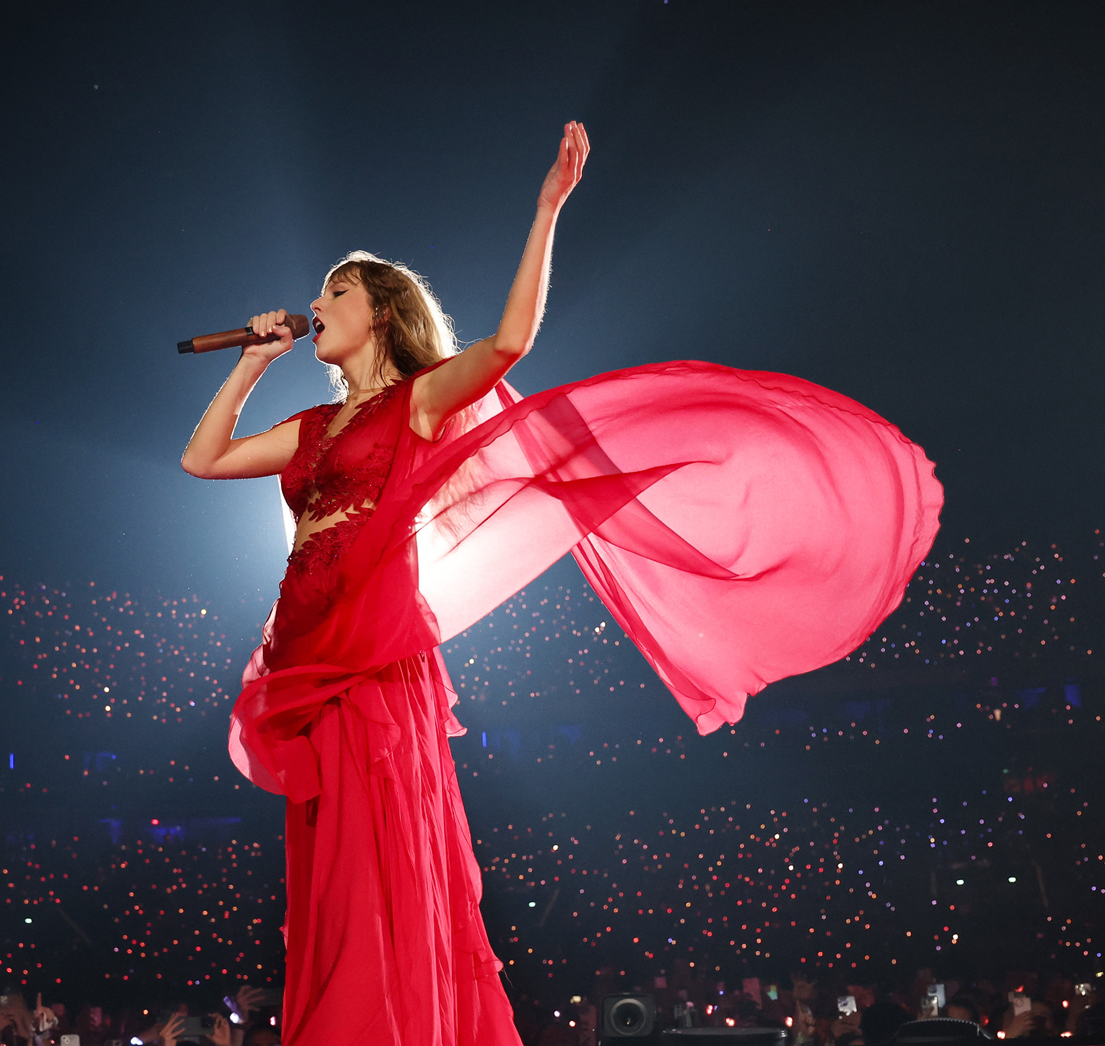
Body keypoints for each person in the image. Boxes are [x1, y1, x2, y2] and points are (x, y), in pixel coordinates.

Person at [181, 122, 942, 1046]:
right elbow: (203, 458)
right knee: (327, 870)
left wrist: (546, 209)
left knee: (371, 863)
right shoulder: (308, 429)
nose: (313, 303)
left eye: (333, 291)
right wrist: (253, 360)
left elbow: (507, 343)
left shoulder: (415, 402)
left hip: (371, 652)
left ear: (379, 312)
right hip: (305, 639)